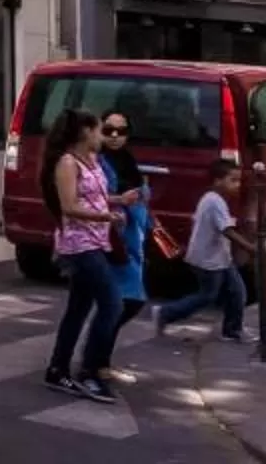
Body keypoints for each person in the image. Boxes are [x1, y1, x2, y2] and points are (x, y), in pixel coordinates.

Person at [41, 110, 123, 400]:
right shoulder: (67, 162)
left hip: (96, 240)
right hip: (79, 244)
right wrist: (106, 217)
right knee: (112, 304)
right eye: (100, 130)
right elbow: (69, 206)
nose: (103, 137)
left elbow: (94, 196)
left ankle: (58, 369)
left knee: (78, 308)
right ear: (85, 132)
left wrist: (119, 201)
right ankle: (90, 371)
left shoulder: (92, 160)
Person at [150, 157, 250, 343]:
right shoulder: (214, 202)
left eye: (239, 180)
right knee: (208, 296)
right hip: (208, 260)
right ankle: (166, 313)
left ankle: (232, 330)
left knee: (237, 292)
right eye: (233, 180)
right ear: (217, 181)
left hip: (218, 258)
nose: (238, 185)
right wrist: (249, 247)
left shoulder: (212, 199)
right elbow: (227, 230)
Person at [92, 110, 152, 376]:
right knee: (125, 302)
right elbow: (88, 196)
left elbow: (139, 193)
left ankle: (100, 361)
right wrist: (120, 200)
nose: (115, 136)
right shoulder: (97, 161)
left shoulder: (127, 159)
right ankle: (95, 362)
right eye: (109, 130)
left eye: (121, 131)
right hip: (114, 238)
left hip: (132, 238)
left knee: (121, 303)